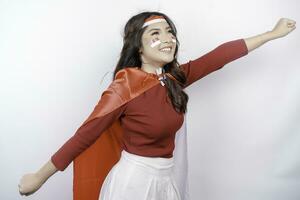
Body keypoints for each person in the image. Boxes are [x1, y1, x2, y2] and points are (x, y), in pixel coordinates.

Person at [18, 11, 296, 200]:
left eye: (170, 32)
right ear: (138, 46)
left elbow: (217, 57)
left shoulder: (173, 79)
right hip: (134, 184)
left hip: (166, 180)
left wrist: (270, 34)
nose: (167, 39)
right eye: (156, 33)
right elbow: (85, 136)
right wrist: (39, 177)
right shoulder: (124, 87)